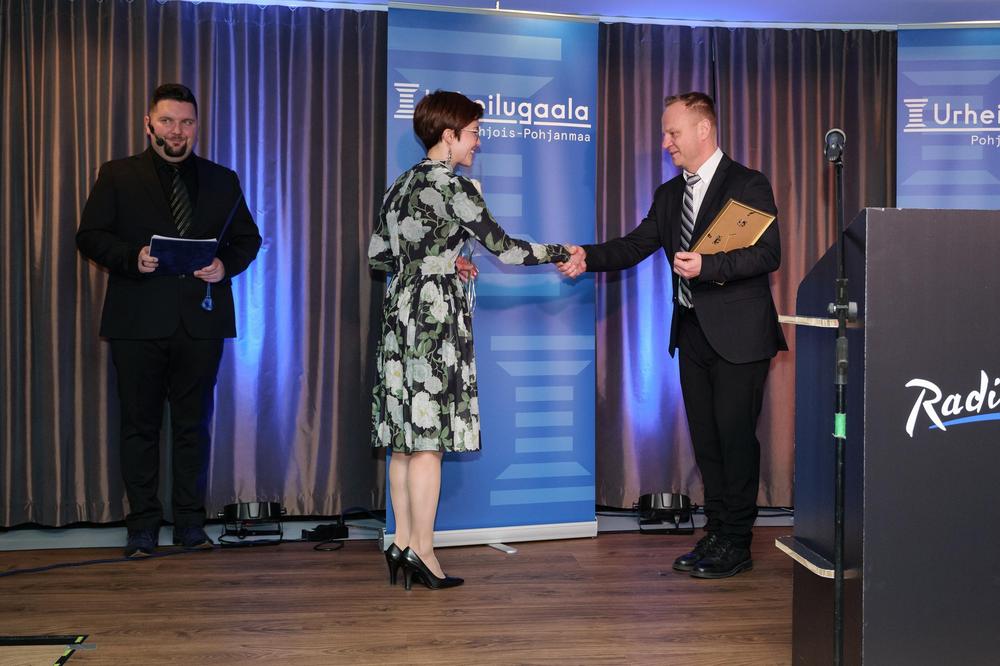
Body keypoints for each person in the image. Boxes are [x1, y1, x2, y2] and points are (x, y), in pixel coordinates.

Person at [558, 92, 786, 578]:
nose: (666, 142)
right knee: (707, 442)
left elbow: (768, 254)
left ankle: (737, 542)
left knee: (735, 441)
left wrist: (709, 265)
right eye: (665, 133)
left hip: (741, 337)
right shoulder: (668, 196)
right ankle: (717, 532)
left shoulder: (748, 183)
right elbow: (633, 246)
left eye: (673, 132)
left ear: (703, 129)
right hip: (692, 334)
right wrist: (587, 255)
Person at [369, 90, 569, 590]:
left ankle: (401, 543)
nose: (478, 142)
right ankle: (424, 551)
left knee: (403, 441)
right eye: (475, 133)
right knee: (428, 442)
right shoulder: (454, 187)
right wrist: (562, 250)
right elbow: (507, 249)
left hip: (399, 314)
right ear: (449, 135)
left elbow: (378, 257)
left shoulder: (399, 185)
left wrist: (439, 259)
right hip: (435, 318)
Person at [77, 83, 262, 558]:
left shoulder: (223, 179)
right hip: (136, 321)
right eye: (167, 121)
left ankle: (190, 525)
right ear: (149, 124)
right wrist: (130, 257)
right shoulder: (117, 175)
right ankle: (141, 527)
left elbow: (248, 239)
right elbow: (89, 235)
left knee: (193, 427)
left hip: (202, 322)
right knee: (138, 427)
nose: (177, 131)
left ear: (196, 126)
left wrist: (224, 265)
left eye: (186, 122)